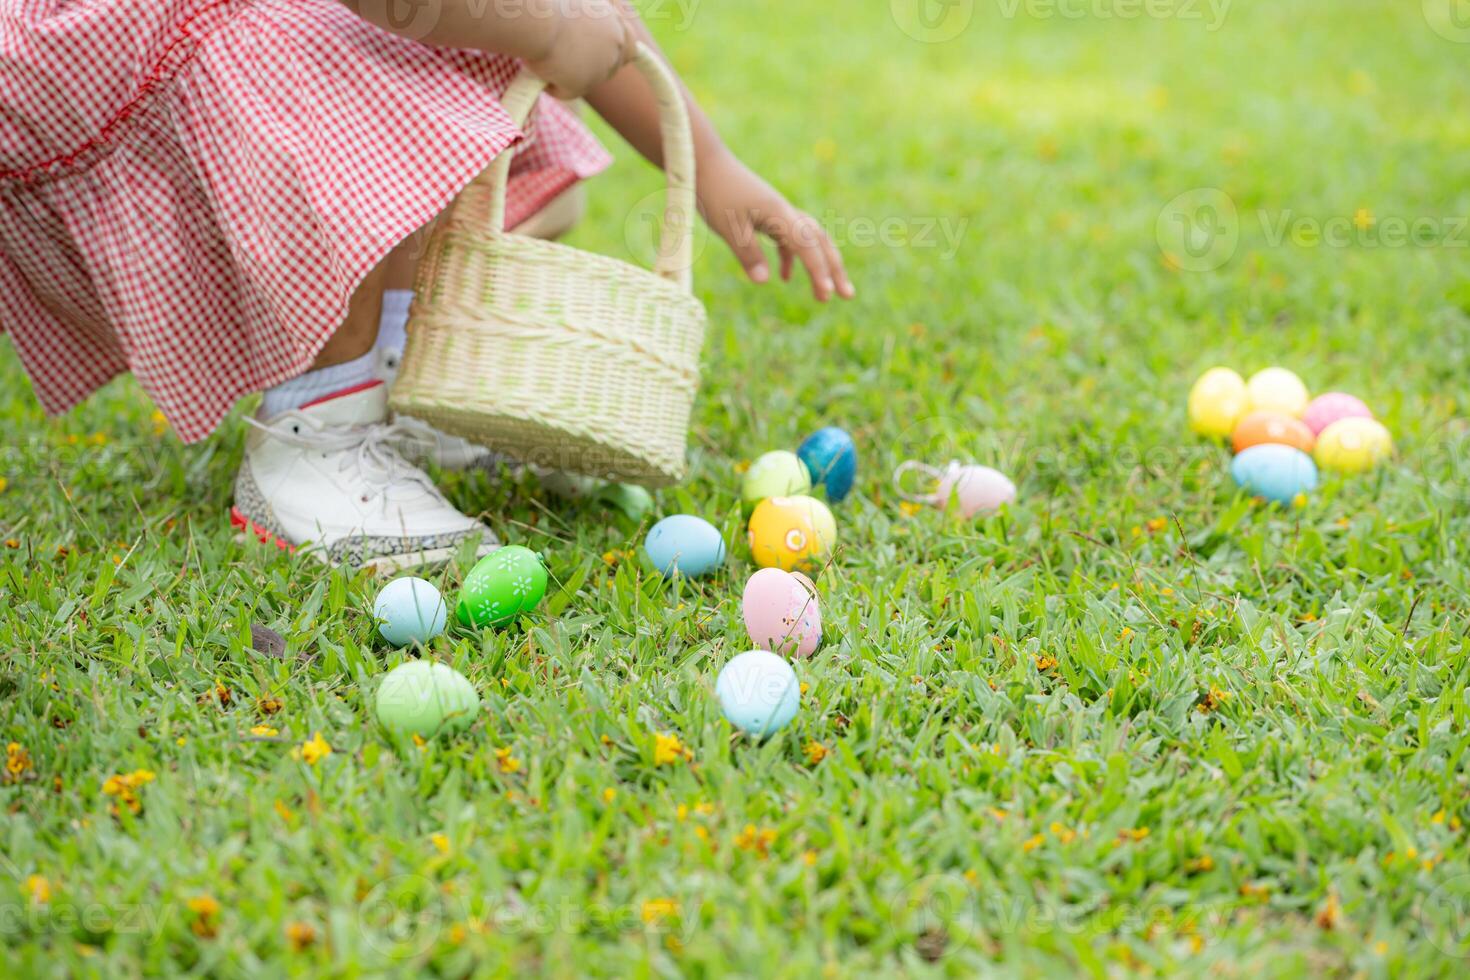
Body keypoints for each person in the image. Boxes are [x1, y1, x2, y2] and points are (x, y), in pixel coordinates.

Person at [0, 0, 854, 569]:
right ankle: (317, 429)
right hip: (94, 44)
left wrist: (712, 168)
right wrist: (546, 32)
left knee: (472, 24)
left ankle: (396, 381)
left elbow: (589, 16)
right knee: (347, 43)